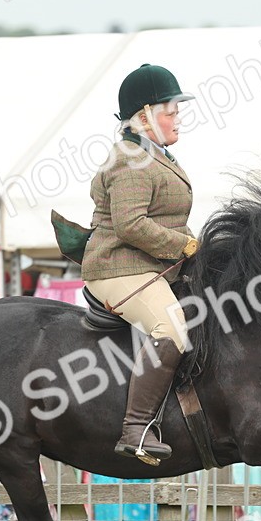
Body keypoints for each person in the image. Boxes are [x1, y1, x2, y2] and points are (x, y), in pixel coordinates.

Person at [83, 63, 200, 463]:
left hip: (148, 265)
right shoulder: (130, 160)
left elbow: (168, 217)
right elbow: (130, 224)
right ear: (145, 115)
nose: (178, 117)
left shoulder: (156, 155)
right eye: (171, 109)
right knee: (171, 329)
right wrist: (182, 246)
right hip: (119, 266)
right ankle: (136, 429)